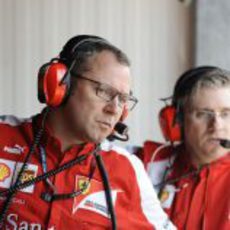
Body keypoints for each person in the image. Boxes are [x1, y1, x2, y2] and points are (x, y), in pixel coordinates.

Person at [0, 35, 175, 229]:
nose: (114, 109)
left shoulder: (126, 168)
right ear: (61, 85)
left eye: (123, 99)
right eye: (104, 91)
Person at [139, 66, 230, 230]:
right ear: (176, 120)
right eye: (203, 114)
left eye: (226, 113)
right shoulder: (144, 164)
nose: (217, 126)